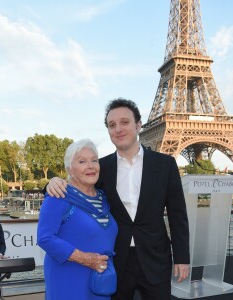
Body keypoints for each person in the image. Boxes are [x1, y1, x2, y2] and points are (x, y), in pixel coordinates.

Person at [46, 98, 190, 300]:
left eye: (124, 122)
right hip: (115, 260)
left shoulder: (165, 165)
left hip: (156, 258)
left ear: (138, 125)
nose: (118, 129)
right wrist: (51, 182)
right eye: (112, 125)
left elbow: (178, 215)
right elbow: (74, 185)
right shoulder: (100, 168)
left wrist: (182, 258)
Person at [37, 139, 118, 300]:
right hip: (68, 278)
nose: (90, 166)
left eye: (94, 160)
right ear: (69, 169)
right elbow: (45, 238)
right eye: (82, 161)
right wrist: (86, 259)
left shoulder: (105, 197)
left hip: (101, 280)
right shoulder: (58, 196)